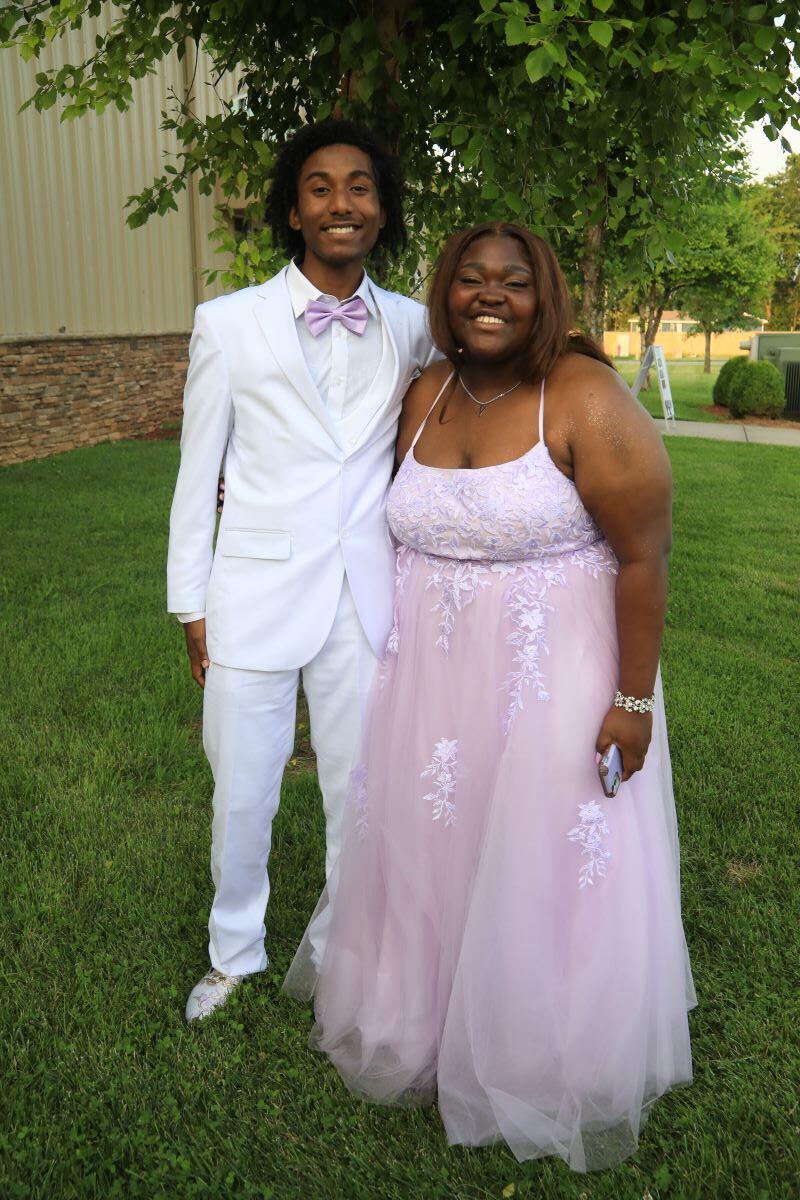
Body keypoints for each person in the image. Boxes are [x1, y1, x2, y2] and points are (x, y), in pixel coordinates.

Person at [284, 221, 695, 1172]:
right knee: (436, 844)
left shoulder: (584, 396)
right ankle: (423, 1018)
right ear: (447, 293)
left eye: (514, 281)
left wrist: (633, 702)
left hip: (554, 676)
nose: (491, 296)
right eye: (472, 279)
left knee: (542, 853)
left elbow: (645, 556)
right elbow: (352, 497)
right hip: (428, 679)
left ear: (544, 296)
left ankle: (544, 1046)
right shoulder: (425, 391)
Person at [167, 119, 437, 1021]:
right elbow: (196, 475)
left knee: (360, 789)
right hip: (251, 593)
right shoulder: (228, 324)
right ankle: (233, 953)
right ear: (293, 210)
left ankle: (344, 952)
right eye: (320, 188)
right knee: (242, 789)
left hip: (367, 595)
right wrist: (190, 604)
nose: (340, 203)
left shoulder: (414, 327)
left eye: (360, 187)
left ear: (382, 211)